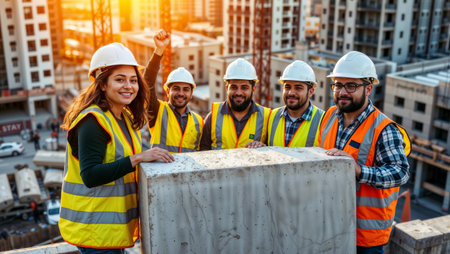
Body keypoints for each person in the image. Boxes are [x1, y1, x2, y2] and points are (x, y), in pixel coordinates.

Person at [58, 42, 174, 253]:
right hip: (94, 228)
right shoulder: (93, 121)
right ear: (102, 84)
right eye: (119, 80)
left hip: (109, 229)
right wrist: (138, 158)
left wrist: (157, 54)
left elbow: (147, 85)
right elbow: (90, 175)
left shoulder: (123, 117)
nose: (128, 86)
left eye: (132, 80)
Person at [318, 51, 410, 254]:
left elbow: (400, 172)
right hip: (329, 225)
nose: (342, 92)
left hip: (366, 237)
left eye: (351, 86)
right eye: (338, 85)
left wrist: (360, 171)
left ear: (368, 89)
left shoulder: (384, 128)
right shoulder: (330, 115)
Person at [144, 30, 203, 153]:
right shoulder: (157, 111)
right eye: (176, 88)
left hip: (188, 172)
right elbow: (147, 82)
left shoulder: (199, 121)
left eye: (186, 89)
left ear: (191, 93)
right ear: (167, 91)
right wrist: (159, 50)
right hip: (161, 172)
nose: (181, 93)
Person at [200, 58, 270, 150]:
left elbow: (272, 151)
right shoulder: (213, 116)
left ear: (253, 89)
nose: (238, 93)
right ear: (227, 88)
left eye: (244, 88)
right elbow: (203, 151)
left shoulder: (266, 117)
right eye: (234, 87)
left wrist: (264, 148)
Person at [266, 60, 324, 147]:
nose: (291, 93)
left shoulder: (323, 120)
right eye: (287, 87)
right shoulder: (272, 116)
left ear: (311, 92)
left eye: (298, 88)